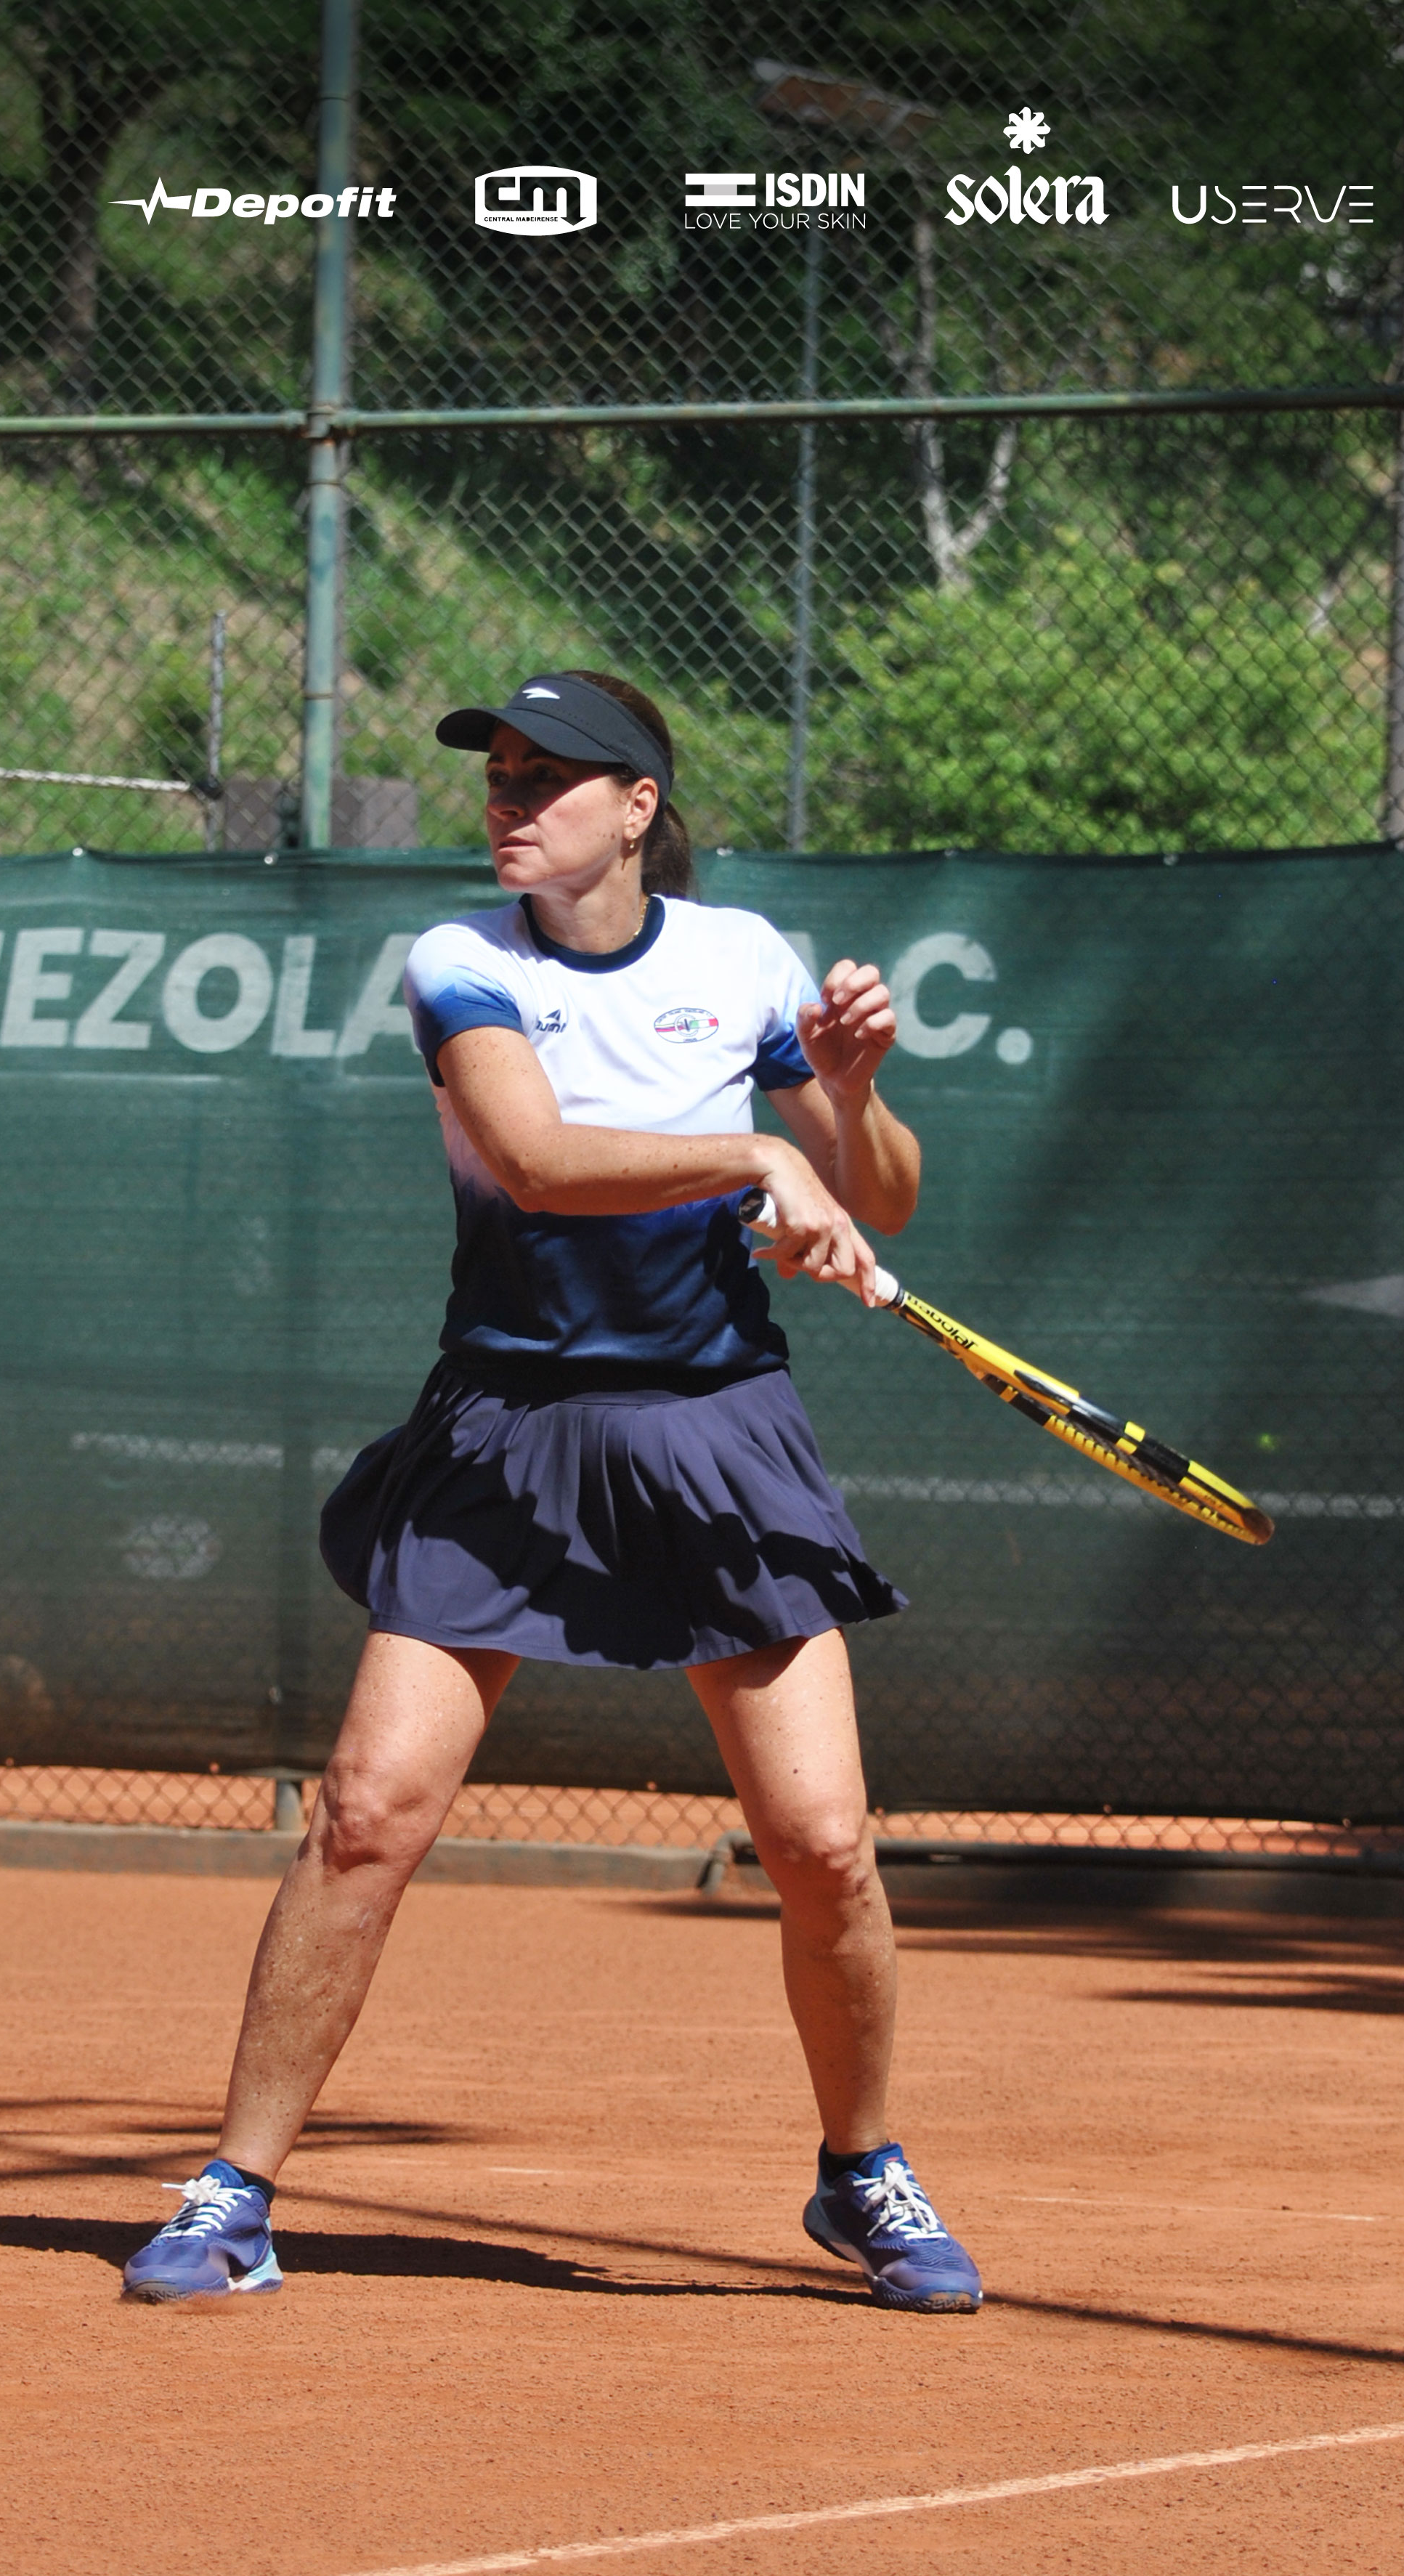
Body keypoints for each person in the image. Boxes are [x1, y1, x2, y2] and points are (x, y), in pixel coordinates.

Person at [123, 670, 982, 2315]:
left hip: (718, 1429)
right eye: (501, 775)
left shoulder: (743, 962)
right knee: (366, 1814)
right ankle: (234, 2188)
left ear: (639, 805)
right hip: (506, 1430)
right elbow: (535, 1160)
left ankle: (860, 2167)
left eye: (550, 777)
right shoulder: (462, 962)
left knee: (823, 1846)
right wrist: (756, 1157)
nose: (512, 800)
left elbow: (885, 1195)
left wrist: (848, 1103)